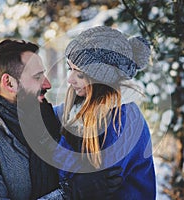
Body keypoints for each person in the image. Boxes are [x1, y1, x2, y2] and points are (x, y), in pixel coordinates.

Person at [0, 39, 123, 200]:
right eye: (37, 77)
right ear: (9, 83)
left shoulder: (53, 123)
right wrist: (70, 193)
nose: (48, 84)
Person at [50, 26, 156, 199]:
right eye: (70, 69)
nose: (69, 79)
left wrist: (67, 141)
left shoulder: (122, 119)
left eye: (80, 74)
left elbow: (93, 180)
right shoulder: (84, 106)